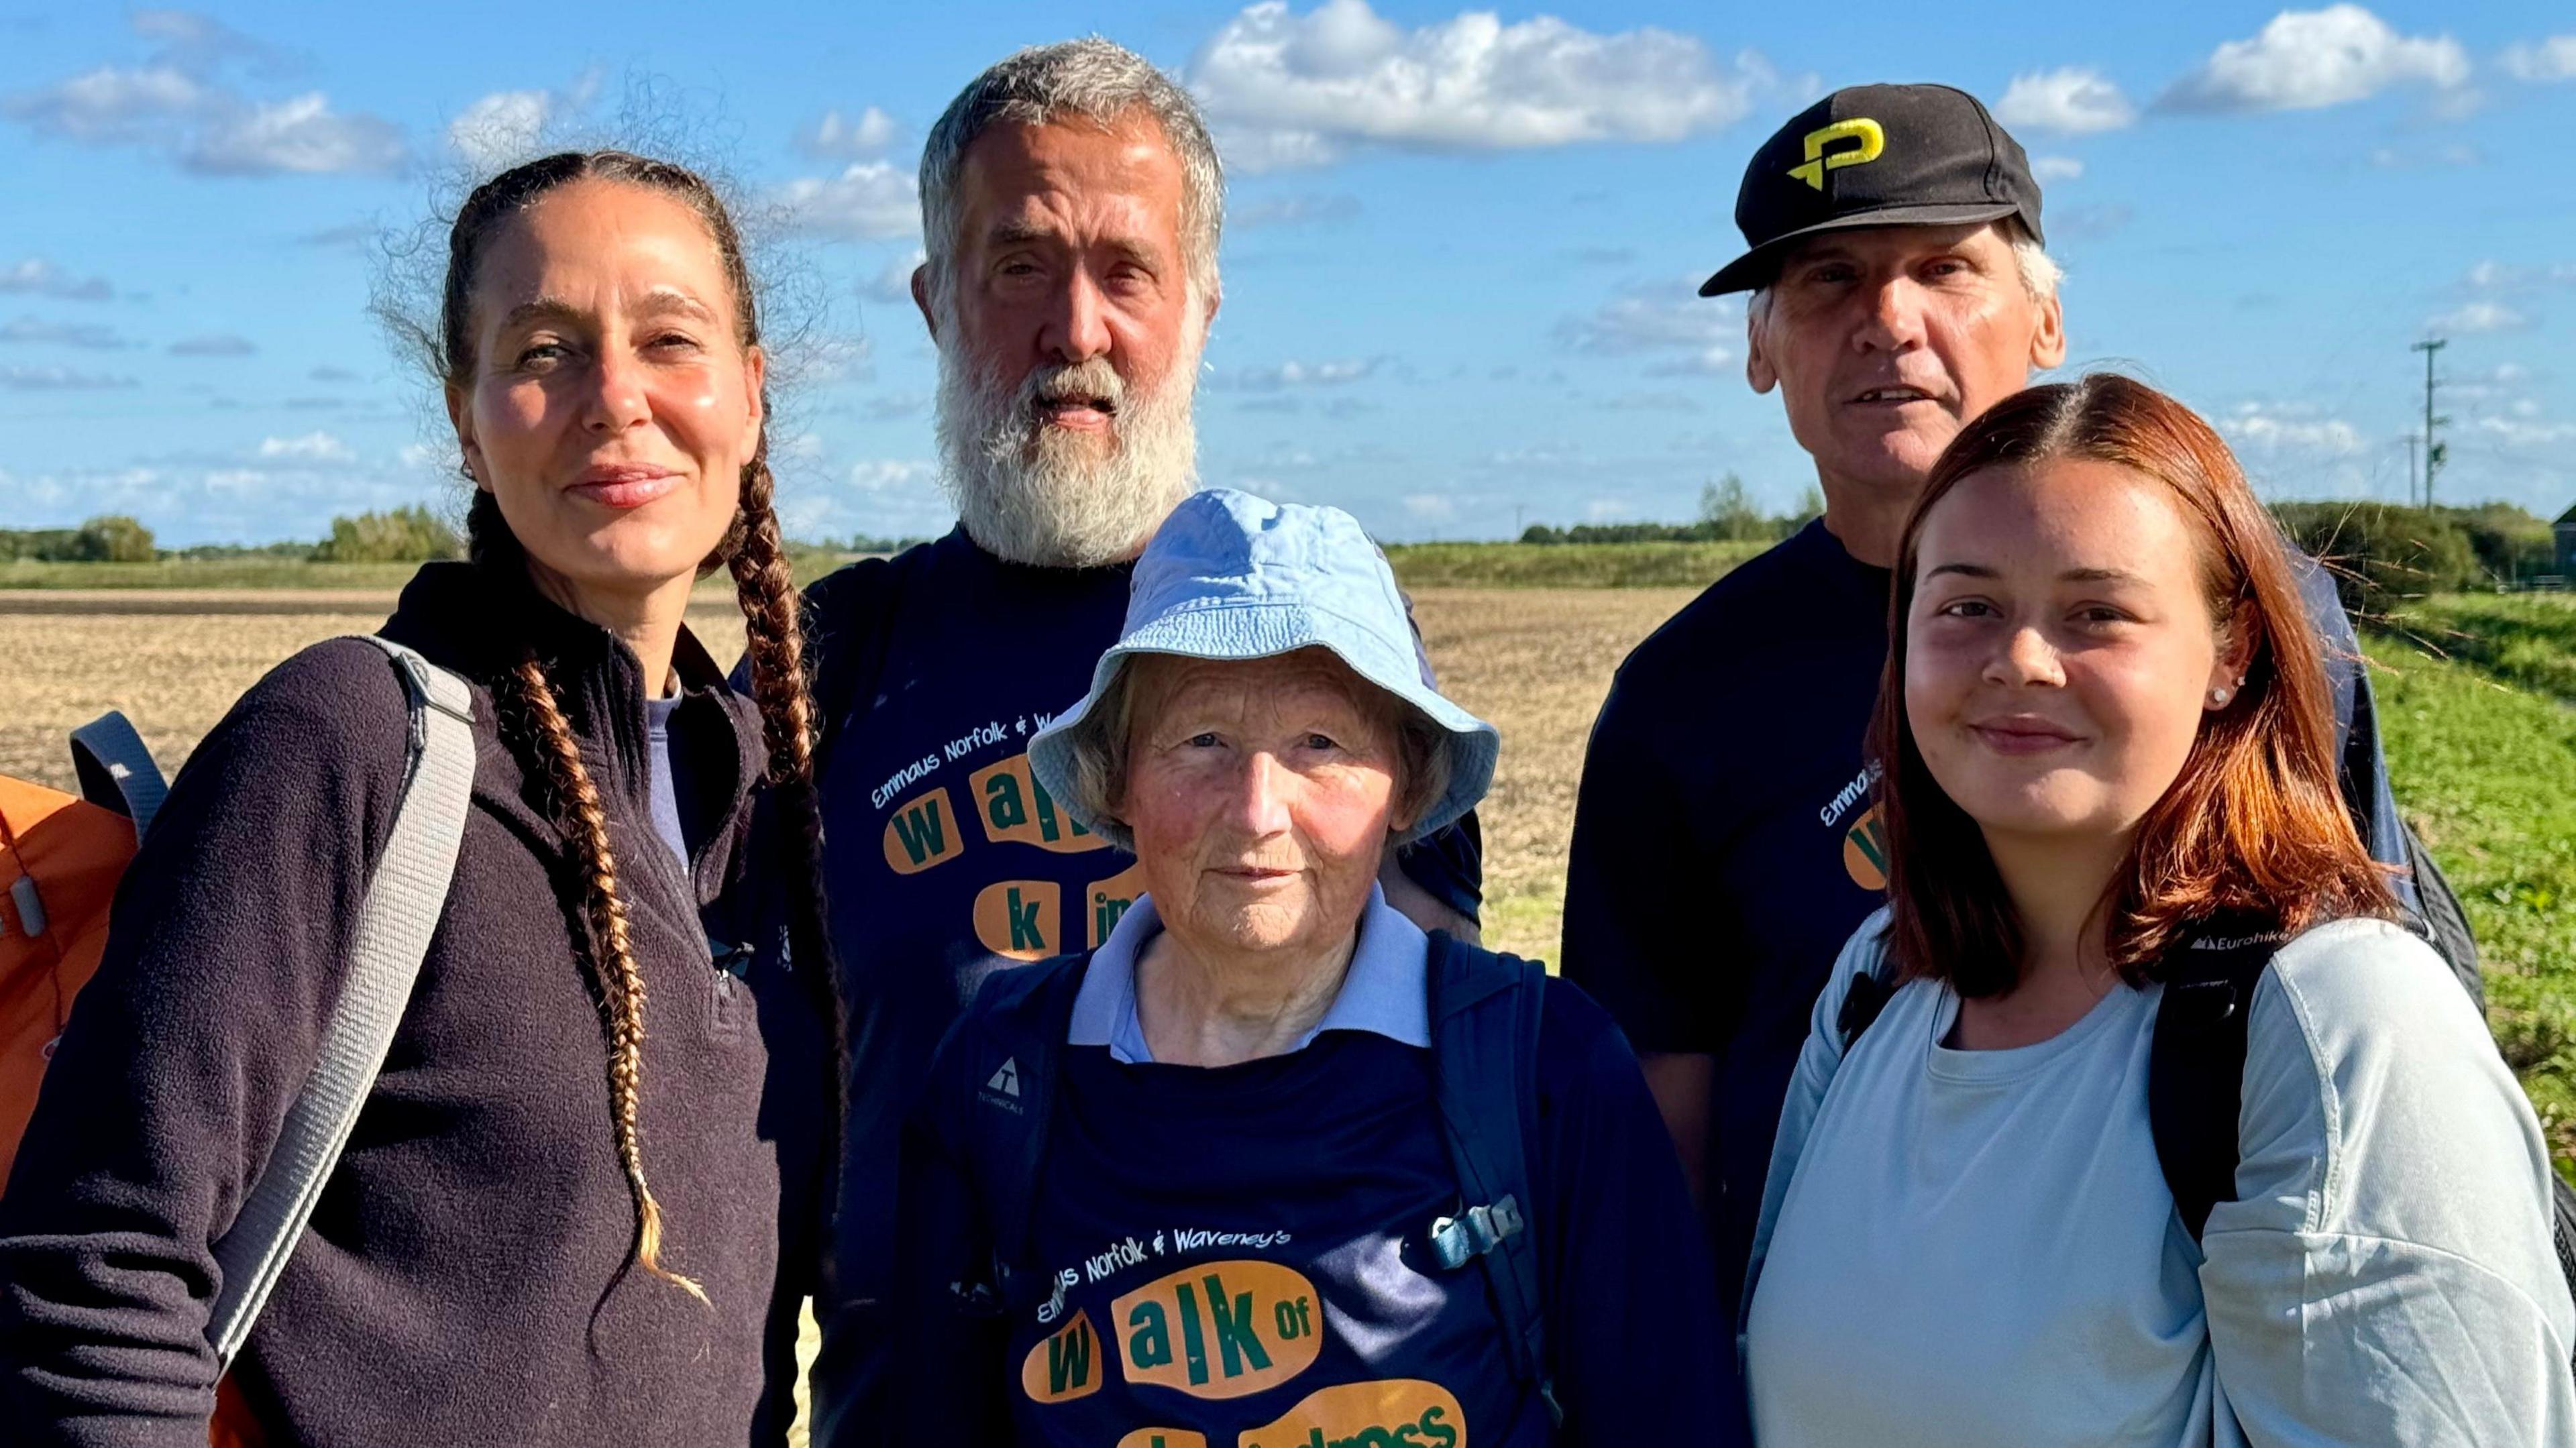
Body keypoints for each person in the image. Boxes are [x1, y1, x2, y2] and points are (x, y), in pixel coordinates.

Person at [1557, 82, 2438, 1334]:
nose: (1889, 323)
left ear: (2045, 319)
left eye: (1944, 268)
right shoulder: (1684, 691)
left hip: (2201, 1328)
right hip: (1836, 1347)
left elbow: (2361, 969)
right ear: (1762, 349)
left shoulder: (2250, 613)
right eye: (1827, 281)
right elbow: (1661, 1084)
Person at [0, 150, 833, 1447]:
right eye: (545, 350)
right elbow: (94, 1266)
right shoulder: (352, 746)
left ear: (750, 394)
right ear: (466, 415)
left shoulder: (766, 810)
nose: (615, 398)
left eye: (670, 339)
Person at [788, 40, 1482, 1443]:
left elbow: (1438, 1036)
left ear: (1204, 307)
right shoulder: (826, 657)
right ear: (937, 302)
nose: (1077, 331)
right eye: (1020, 267)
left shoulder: (1327, 642)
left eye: (1128, 271)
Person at [1739, 374, 2574, 1443]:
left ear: (2230, 656)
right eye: (1967, 606)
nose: (2021, 660)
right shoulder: (1876, 984)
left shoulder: (2335, 1032)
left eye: (2098, 613)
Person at [887, 488, 1723, 1447]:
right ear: (1117, 778)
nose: (1256, 812)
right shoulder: (998, 1077)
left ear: (1404, 784)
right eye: (1203, 741)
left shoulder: (1549, 1073)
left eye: (1319, 745)